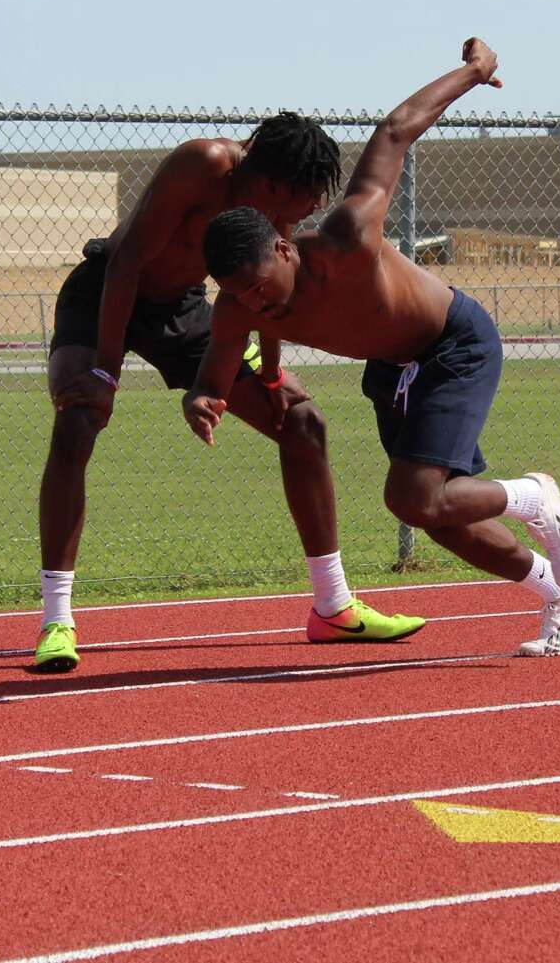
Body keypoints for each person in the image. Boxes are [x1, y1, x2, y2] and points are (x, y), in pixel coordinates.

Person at [185, 39, 560, 658]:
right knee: (439, 519)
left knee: (412, 497)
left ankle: (534, 495)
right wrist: (202, 400)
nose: (258, 304)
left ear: (286, 251)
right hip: (393, 368)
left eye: (263, 288)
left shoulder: (348, 239)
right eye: (241, 295)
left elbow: (396, 130)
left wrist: (474, 72)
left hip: (452, 343)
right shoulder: (240, 305)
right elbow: (213, 377)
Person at [38, 115, 427, 673]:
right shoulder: (204, 163)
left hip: (182, 310)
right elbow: (127, 261)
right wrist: (104, 373)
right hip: (106, 293)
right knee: (78, 418)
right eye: (306, 198)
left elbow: (267, 298)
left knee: (303, 423)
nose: (313, 209)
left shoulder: (273, 214)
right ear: (271, 184)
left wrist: (272, 374)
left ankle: (334, 607)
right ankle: (56, 620)